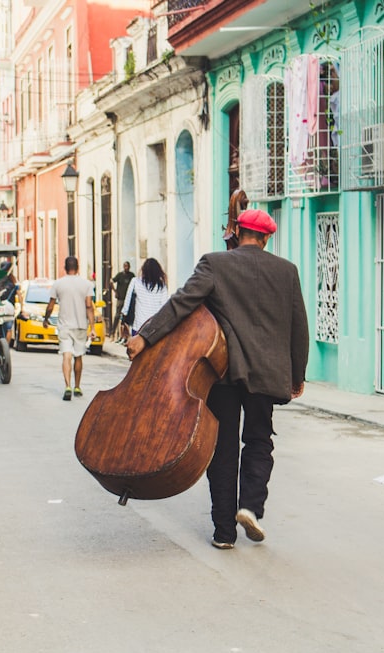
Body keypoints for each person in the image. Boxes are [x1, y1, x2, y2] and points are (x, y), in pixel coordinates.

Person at [127, 209, 309, 550]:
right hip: (267, 375)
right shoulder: (287, 272)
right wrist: (296, 375)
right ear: (267, 237)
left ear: (238, 232)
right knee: (259, 441)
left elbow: (181, 304)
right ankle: (250, 507)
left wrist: (145, 336)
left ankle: (224, 532)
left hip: (225, 372)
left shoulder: (214, 263)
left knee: (223, 449)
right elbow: (299, 328)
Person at [43, 256, 95, 401]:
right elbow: (89, 306)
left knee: (67, 355)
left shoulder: (58, 284)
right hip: (80, 325)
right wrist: (92, 327)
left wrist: (46, 319)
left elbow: (51, 305)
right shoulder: (87, 284)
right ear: (78, 267)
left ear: (65, 268)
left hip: (65, 325)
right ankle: (77, 386)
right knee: (78, 356)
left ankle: (67, 386)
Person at [120, 258, 169, 338]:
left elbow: (127, 303)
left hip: (139, 327)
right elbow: (164, 307)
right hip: (155, 329)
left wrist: (123, 320)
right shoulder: (162, 286)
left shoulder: (135, 282)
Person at [110, 261, 135, 341]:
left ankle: (124, 336)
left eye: (127, 266)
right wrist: (115, 291)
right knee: (117, 316)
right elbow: (111, 281)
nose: (126, 268)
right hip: (120, 299)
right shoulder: (120, 275)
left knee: (127, 318)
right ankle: (112, 334)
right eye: (125, 266)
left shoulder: (131, 276)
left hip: (128, 299)